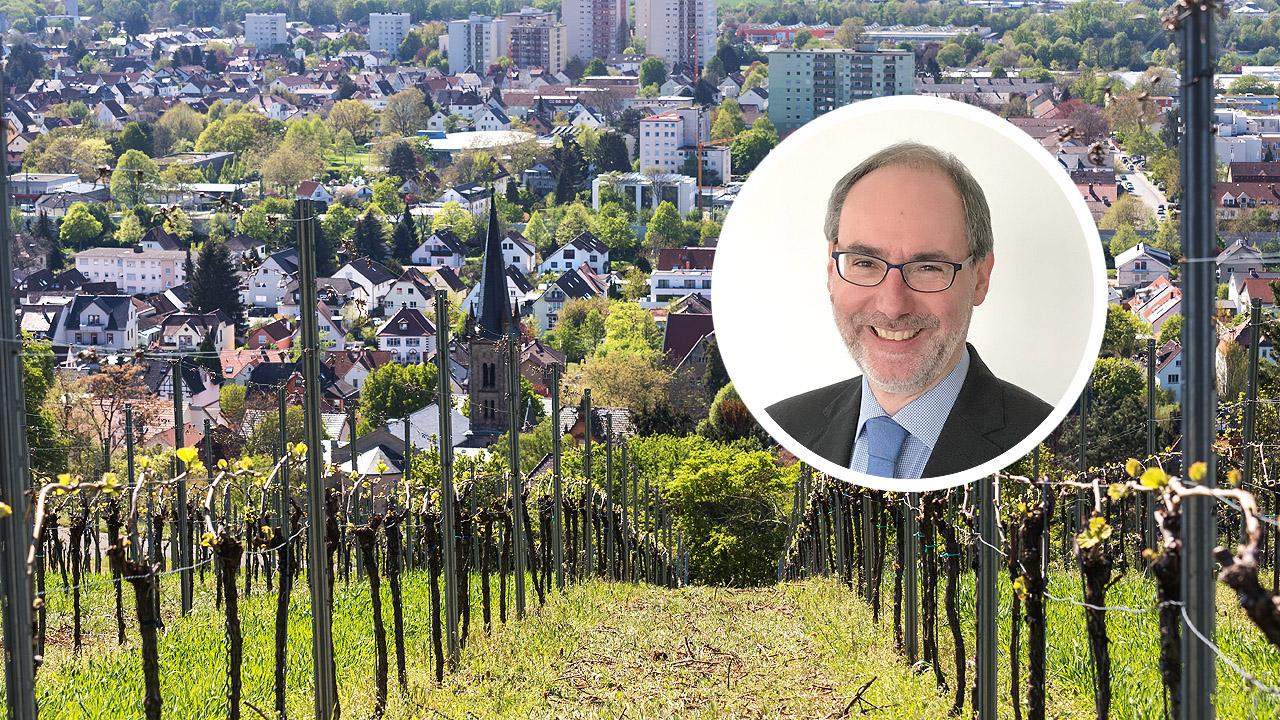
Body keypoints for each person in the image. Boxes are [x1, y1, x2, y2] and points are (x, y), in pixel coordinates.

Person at [766, 142, 1052, 479]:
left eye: (928, 267)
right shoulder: (784, 428)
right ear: (832, 269)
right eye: (865, 263)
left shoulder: (1046, 444)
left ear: (981, 277)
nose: (892, 306)